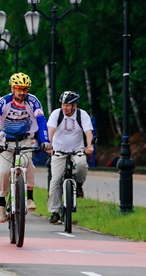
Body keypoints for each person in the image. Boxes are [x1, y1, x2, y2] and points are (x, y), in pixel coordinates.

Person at [0, 72, 52, 223]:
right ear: (13, 88)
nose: (22, 92)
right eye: (19, 89)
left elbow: (41, 121)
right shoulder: (4, 101)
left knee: (29, 164)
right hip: (5, 140)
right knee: (3, 171)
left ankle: (30, 198)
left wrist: (45, 140)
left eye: (25, 89)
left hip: (24, 139)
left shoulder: (33, 101)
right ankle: (1, 204)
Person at [46, 91, 94, 224]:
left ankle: (78, 185)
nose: (64, 108)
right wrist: (48, 144)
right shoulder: (57, 114)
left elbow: (88, 132)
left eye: (67, 105)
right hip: (58, 150)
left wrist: (90, 146)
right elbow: (51, 130)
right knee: (55, 180)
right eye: (63, 105)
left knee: (82, 165)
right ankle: (55, 211)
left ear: (74, 105)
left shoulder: (81, 114)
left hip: (77, 149)